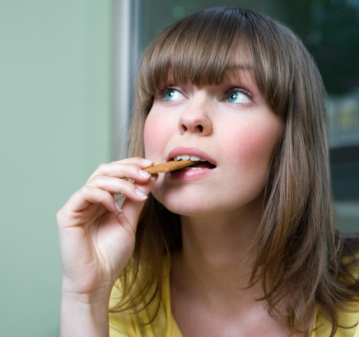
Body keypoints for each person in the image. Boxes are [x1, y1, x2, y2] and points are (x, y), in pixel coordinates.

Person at [57, 7, 359, 337]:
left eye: (234, 95)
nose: (191, 117)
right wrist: (85, 298)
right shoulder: (121, 294)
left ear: (289, 137)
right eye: (170, 92)